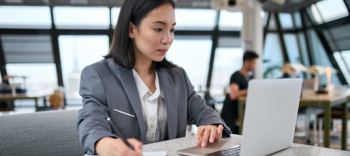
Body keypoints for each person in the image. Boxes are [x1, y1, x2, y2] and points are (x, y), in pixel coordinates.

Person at [76, 0, 232, 156]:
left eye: (172, 30)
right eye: (158, 29)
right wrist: (104, 144)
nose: (168, 39)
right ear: (131, 29)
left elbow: (204, 112)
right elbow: (91, 121)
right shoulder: (98, 75)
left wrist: (211, 125)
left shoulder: (178, 77)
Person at [221, 51, 259, 134]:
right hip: (232, 113)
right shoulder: (236, 76)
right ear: (246, 62)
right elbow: (233, 95)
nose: (255, 66)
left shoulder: (248, 77)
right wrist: (251, 89)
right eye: (254, 63)